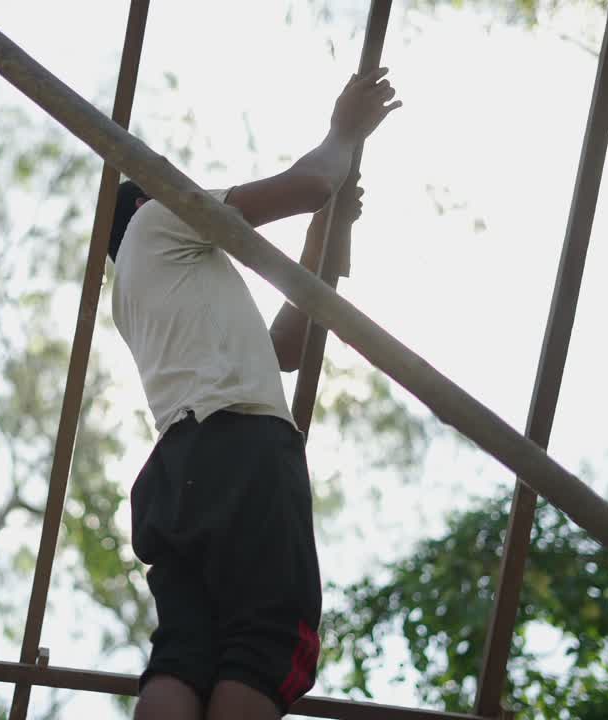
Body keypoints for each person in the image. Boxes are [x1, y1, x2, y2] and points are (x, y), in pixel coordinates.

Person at [109, 68, 401, 720]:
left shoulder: (138, 290)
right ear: (142, 198)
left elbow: (286, 350)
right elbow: (309, 183)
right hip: (242, 448)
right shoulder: (161, 218)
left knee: (185, 654)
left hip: (180, 472)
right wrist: (343, 131)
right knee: (265, 645)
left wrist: (325, 231)